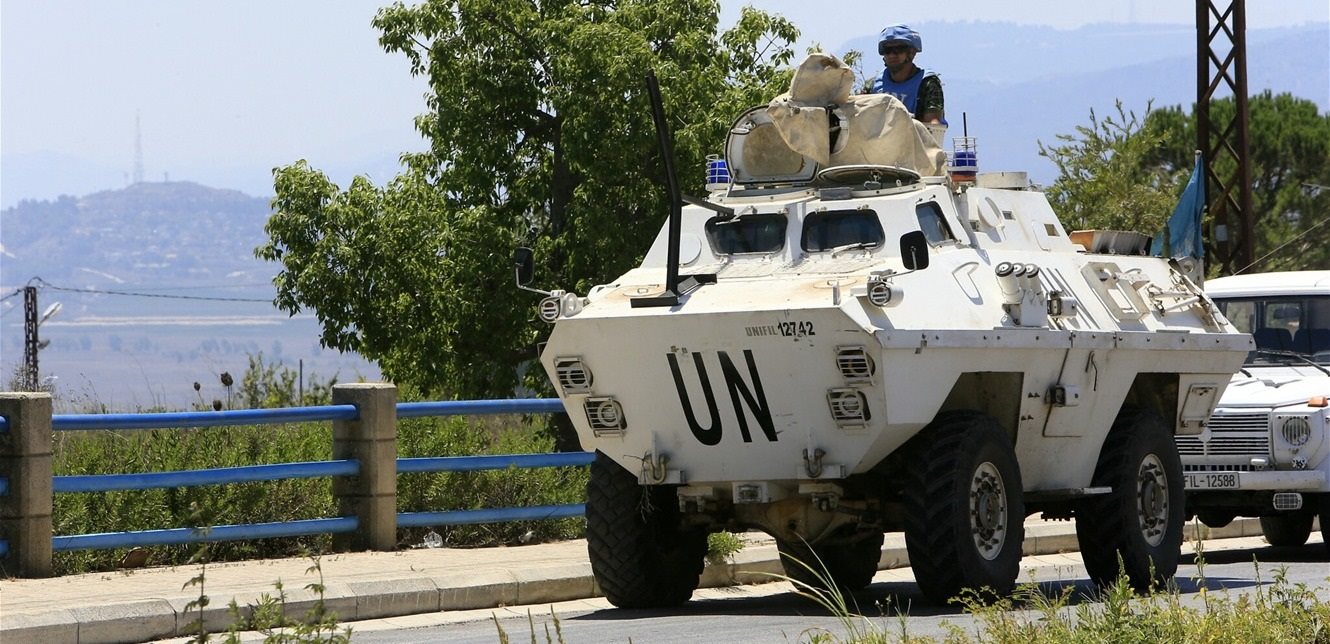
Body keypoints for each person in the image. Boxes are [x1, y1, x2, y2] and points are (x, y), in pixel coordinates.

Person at [869, 24, 945, 124]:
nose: (892, 55)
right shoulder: (875, 84)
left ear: (911, 53)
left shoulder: (927, 83)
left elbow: (933, 125)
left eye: (898, 49)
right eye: (887, 50)